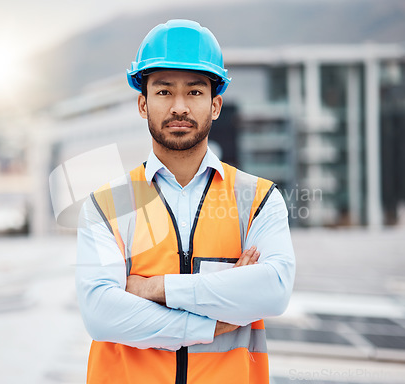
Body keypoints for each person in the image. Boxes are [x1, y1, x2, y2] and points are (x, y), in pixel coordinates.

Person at [76, 19, 295, 384]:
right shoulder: (106, 205)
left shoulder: (258, 199)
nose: (179, 107)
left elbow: (273, 292)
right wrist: (212, 320)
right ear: (143, 104)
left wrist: (154, 288)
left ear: (216, 105)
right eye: (164, 92)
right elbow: (100, 313)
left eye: (194, 92)